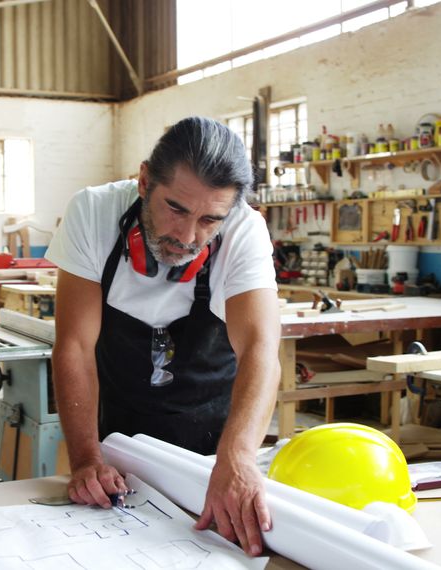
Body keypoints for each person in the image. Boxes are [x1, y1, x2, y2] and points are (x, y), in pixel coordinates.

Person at [45, 116, 281, 556]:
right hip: (122, 439)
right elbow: (75, 347)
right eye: (176, 208)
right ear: (144, 180)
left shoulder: (245, 230)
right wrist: (86, 460)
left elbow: (261, 349)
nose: (188, 236)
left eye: (210, 220)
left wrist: (238, 457)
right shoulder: (93, 212)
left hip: (212, 438)